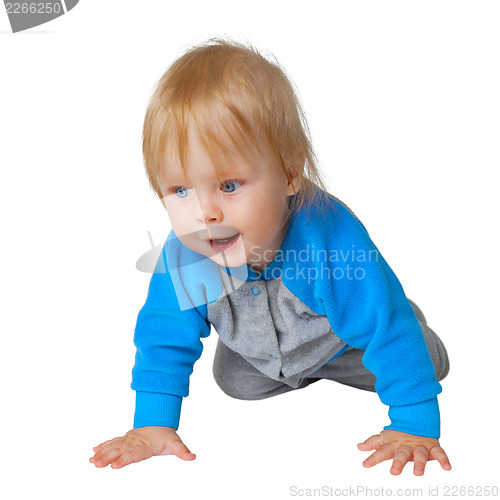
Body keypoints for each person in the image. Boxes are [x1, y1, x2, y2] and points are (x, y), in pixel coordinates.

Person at [89, 38, 451, 475]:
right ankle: (302, 370)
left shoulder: (331, 243)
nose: (206, 213)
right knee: (235, 383)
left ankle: (400, 321)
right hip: (264, 350)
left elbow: (385, 332)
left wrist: (414, 426)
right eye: (181, 189)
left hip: (341, 338)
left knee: (418, 357)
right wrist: (152, 424)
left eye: (228, 185)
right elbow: (163, 337)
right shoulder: (188, 252)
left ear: (289, 173)